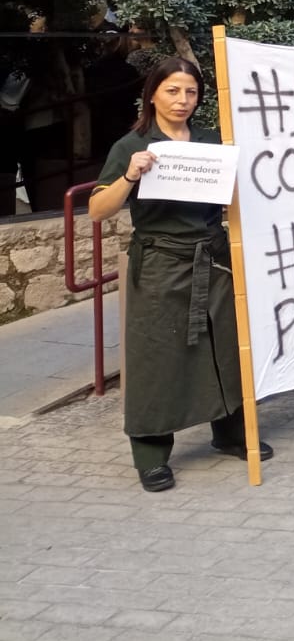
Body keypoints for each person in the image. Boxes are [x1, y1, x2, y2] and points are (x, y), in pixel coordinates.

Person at [89, 57, 271, 492]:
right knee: (157, 358)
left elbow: (234, 202)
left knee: (225, 347)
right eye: (172, 90)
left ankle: (229, 433)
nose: (182, 100)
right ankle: (151, 454)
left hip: (213, 257)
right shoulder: (132, 145)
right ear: (152, 93)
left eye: (190, 92)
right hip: (159, 263)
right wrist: (131, 176)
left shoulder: (212, 143)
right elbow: (98, 211)